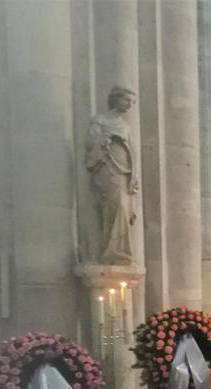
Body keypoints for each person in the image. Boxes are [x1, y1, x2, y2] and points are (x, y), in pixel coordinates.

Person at [86, 86, 138, 265]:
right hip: (107, 168)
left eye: (132, 102)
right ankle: (111, 251)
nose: (129, 105)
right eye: (126, 100)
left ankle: (121, 250)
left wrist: (134, 174)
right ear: (115, 99)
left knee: (124, 208)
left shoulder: (126, 126)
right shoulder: (99, 120)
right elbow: (91, 142)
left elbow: (132, 151)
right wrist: (107, 138)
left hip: (124, 171)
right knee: (114, 207)